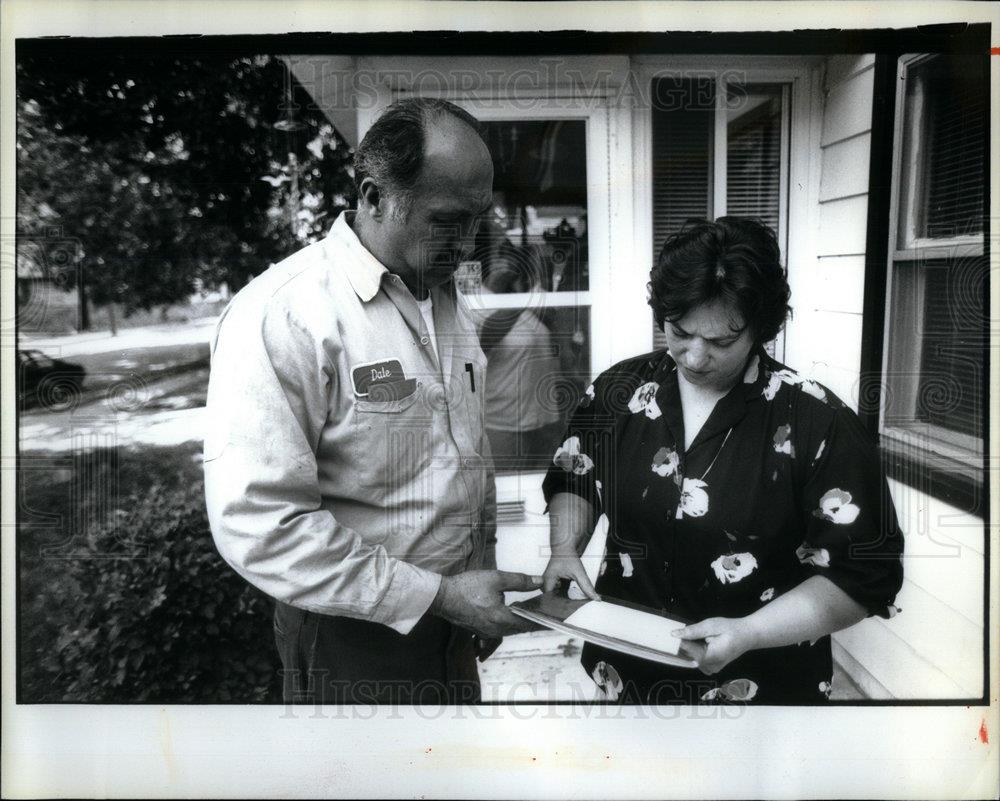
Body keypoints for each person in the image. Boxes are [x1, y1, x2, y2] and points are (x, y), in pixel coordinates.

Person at [204, 98, 541, 706]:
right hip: (347, 637)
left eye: (477, 220)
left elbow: (469, 451)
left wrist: (475, 575)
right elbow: (261, 523)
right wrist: (440, 597)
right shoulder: (285, 315)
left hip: (454, 619)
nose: (466, 244)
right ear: (374, 196)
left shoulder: (443, 299)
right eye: (446, 220)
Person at [540, 217, 904, 704]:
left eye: (720, 342)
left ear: (761, 328)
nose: (692, 357)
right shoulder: (619, 391)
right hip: (626, 673)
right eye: (679, 332)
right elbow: (575, 473)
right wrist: (565, 548)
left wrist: (749, 633)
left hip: (761, 685)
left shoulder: (818, 421)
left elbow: (863, 573)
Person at [476, 243, 564, 467]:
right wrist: (520, 298)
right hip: (503, 424)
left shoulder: (526, 301)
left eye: (514, 260)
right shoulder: (478, 304)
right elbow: (483, 343)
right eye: (501, 260)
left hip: (543, 419)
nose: (508, 266)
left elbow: (555, 340)